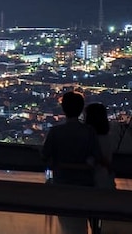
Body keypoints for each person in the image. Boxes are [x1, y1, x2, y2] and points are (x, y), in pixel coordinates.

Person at [41, 91, 101, 234]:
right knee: (82, 225)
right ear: (81, 109)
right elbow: (97, 157)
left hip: (62, 184)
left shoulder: (56, 132)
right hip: (85, 185)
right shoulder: (89, 132)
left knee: (68, 226)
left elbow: (44, 156)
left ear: (63, 108)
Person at [84, 102, 115, 234]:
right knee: (98, 220)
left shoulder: (89, 139)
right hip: (105, 182)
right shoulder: (107, 139)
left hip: (89, 184)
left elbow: (91, 162)